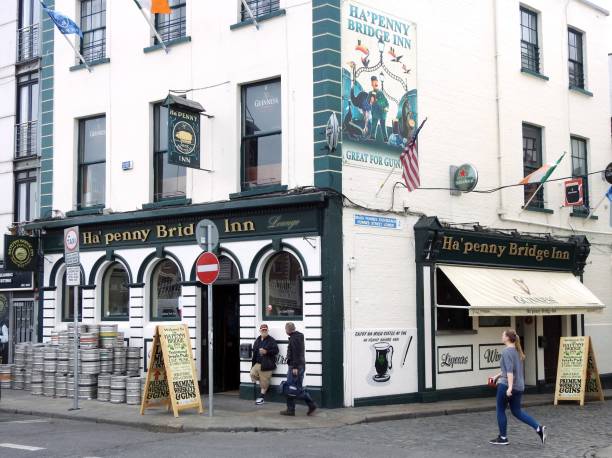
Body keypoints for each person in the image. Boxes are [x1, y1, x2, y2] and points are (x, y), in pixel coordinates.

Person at [489, 328, 547, 446]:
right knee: (516, 411)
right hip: (519, 386)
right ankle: (538, 428)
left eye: (503, 335)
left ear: (507, 338)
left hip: (506, 385)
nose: (501, 336)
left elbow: (510, 371)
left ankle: (503, 438)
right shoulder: (517, 351)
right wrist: (497, 376)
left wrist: (509, 387)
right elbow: (509, 370)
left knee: (500, 410)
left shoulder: (506, 352)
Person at [280, 322, 317, 416]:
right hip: (299, 366)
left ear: (288, 330)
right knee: (295, 388)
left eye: (285, 329)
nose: (285, 331)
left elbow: (296, 353)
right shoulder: (298, 336)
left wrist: (295, 367)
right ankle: (293, 409)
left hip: (295, 367)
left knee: (291, 388)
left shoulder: (294, 338)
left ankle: (293, 409)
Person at [250, 323, 278, 405]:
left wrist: (267, 352)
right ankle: (265, 386)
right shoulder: (258, 340)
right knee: (252, 374)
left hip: (267, 364)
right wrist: (252, 365)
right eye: (262, 330)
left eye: (265, 330)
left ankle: (261, 397)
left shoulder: (271, 340)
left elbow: (276, 350)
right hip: (257, 363)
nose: (264, 331)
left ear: (267, 330)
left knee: (264, 381)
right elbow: (254, 352)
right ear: (260, 331)